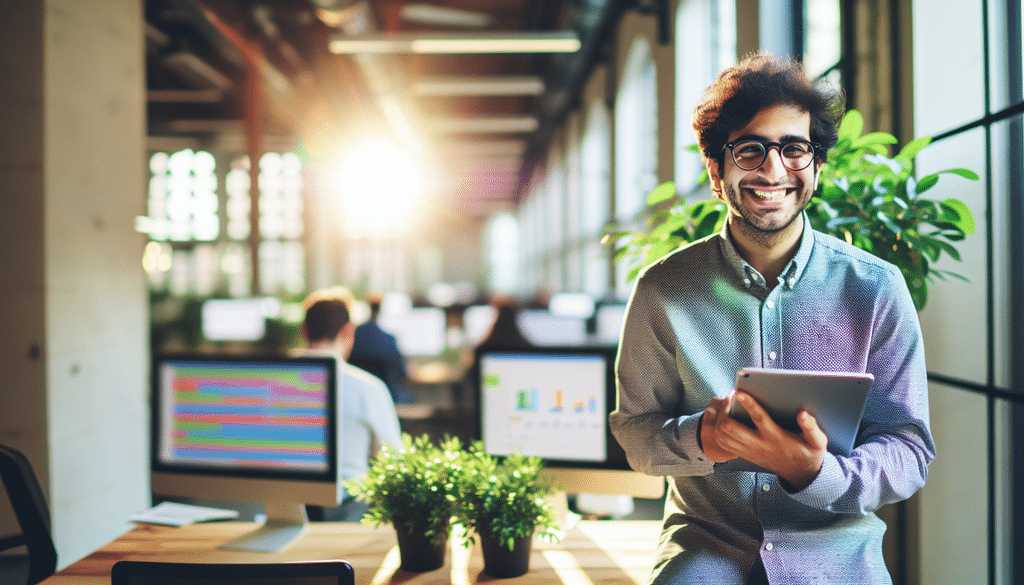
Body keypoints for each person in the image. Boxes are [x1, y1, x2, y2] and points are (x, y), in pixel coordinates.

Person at [609, 53, 934, 585]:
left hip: (836, 553)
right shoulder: (661, 291)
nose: (774, 170)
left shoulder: (877, 288)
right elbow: (635, 434)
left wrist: (817, 473)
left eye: (795, 149)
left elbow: (908, 448)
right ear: (716, 171)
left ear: (817, 167)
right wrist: (702, 439)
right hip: (707, 545)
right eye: (750, 149)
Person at [299, 287, 403, 521]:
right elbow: (393, 461)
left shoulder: (273, 381)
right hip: (348, 516)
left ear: (304, 330)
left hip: (283, 509)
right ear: (348, 331)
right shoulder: (368, 388)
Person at [348, 292, 415, 404]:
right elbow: (401, 374)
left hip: (356, 396)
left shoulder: (353, 336)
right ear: (381, 308)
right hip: (386, 397)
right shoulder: (389, 339)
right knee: (411, 397)